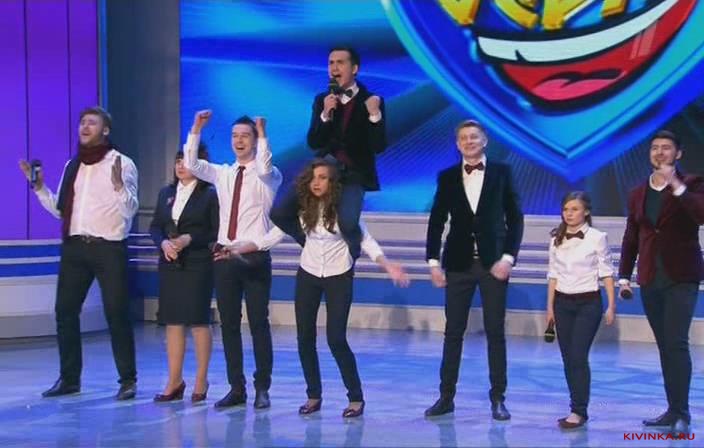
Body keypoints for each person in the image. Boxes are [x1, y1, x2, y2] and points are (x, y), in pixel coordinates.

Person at [225, 158, 408, 418]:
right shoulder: (304, 209)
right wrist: (244, 247)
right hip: (308, 274)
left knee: (336, 339)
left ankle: (355, 397)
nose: (317, 182)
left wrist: (387, 265)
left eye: (322, 177)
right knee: (304, 338)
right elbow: (273, 236)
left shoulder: (346, 212)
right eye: (313, 178)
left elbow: (366, 240)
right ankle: (313, 395)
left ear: (332, 182)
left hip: (338, 275)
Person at [18, 106, 139, 400]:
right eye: (82, 122)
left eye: (91, 123)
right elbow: (62, 210)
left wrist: (119, 187)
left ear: (105, 130)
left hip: (108, 248)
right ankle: (69, 379)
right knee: (65, 311)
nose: (84, 127)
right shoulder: (73, 165)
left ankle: (128, 380)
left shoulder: (121, 163)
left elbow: (130, 210)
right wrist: (39, 188)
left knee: (116, 313)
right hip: (74, 247)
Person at [424, 119, 524, 420]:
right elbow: (436, 221)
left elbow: (515, 219)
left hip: (493, 264)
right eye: (464, 138)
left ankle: (498, 398)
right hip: (458, 264)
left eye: (474, 137)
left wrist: (508, 258)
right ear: (458, 144)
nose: (469, 141)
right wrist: (433, 262)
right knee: (453, 332)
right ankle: (446, 397)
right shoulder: (447, 177)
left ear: (484, 141)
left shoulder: (502, 172)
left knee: (495, 331)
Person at [184, 110, 282, 409]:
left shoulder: (270, 176)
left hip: (254, 256)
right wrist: (196, 128)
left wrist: (263, 133)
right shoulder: (224, 173)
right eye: (235, 136)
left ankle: (262, 387)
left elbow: (264, 166)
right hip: (225, 255)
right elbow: (192, 164)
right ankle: (236, 388)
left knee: (258, 323)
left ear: (255, 140)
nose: (239, 141)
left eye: (245, 136)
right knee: (228, 325)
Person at [619, 130, 704, 436]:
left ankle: (682, 414)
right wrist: (624, 275)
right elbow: (632, 237)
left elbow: (701, 215)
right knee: (665, 346)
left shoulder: (693, 184)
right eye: (654, 148)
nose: (659, 152)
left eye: (666, 148)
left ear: (678, 154)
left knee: (677, 342)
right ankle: (672, 409)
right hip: (650, 278)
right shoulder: (637, 192)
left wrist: (677, 186)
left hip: (682, 276)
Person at [271, 46, 386, 259]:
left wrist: (374, 115)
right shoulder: (322, 100)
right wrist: (325, 113)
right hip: (322, 168)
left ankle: (351, 255)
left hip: (353, 172)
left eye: (340, 62)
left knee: (347, 223)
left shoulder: (372, 100)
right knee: (279, 212)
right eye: (331, 63)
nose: (334, 68)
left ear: (354, 68)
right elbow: (314, 142)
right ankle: (310, 245)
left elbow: (379, 146)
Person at [149, 145, 219, 402]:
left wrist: (190, 238)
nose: (180, 165)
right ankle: (174, 381)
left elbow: (214, 231)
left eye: (186, 160)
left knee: (198, 320)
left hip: (198, 263)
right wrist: (163, 243)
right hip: (170, 263)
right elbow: (156, 226)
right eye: (178, 160)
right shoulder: (166, 193)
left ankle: (201, 380)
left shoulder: (209, 195)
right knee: (173, 321)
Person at [546, 191, 616, 429]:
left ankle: (579, 410)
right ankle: (575, 407)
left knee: (578, 356)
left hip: (588, 304)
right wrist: (550, 308)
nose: (569, 213)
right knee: (568, 358)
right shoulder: (556, 239)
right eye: (566, 209)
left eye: (574, 209)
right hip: (562, 304)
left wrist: (611, 306)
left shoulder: (597, 237)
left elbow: (606, 273)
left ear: (586, 212)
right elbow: (553, 275)